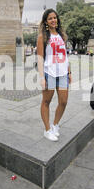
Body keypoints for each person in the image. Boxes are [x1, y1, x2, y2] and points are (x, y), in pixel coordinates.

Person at [36, 9, 71, 142]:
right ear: (46, 21)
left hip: (62, 74)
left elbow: (65, 55)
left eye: (55, 18)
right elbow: (40, 58)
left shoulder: (61, 35)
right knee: (46, 101)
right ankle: (47, 130)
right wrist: (41, 77)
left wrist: (69, 71)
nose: (53, 20)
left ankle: (55, 125)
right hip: (49, 73)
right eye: (50, 18)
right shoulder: (42, 37)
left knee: (63, 101)